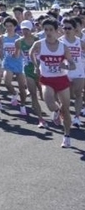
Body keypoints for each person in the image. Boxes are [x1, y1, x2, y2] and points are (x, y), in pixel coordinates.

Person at [29, 18, 76, 148]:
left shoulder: (63, 47)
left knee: (66, 109)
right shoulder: (39, 44)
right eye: (45, 30)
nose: (48, 32)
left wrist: (65, 66)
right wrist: (35, 64)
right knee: (49, 103)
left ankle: (66, 136)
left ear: (56, 31)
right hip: (47, 78)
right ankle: (56, 111)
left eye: (51, 30)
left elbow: (72, 65)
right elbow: (31, 53)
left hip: (61, 79)